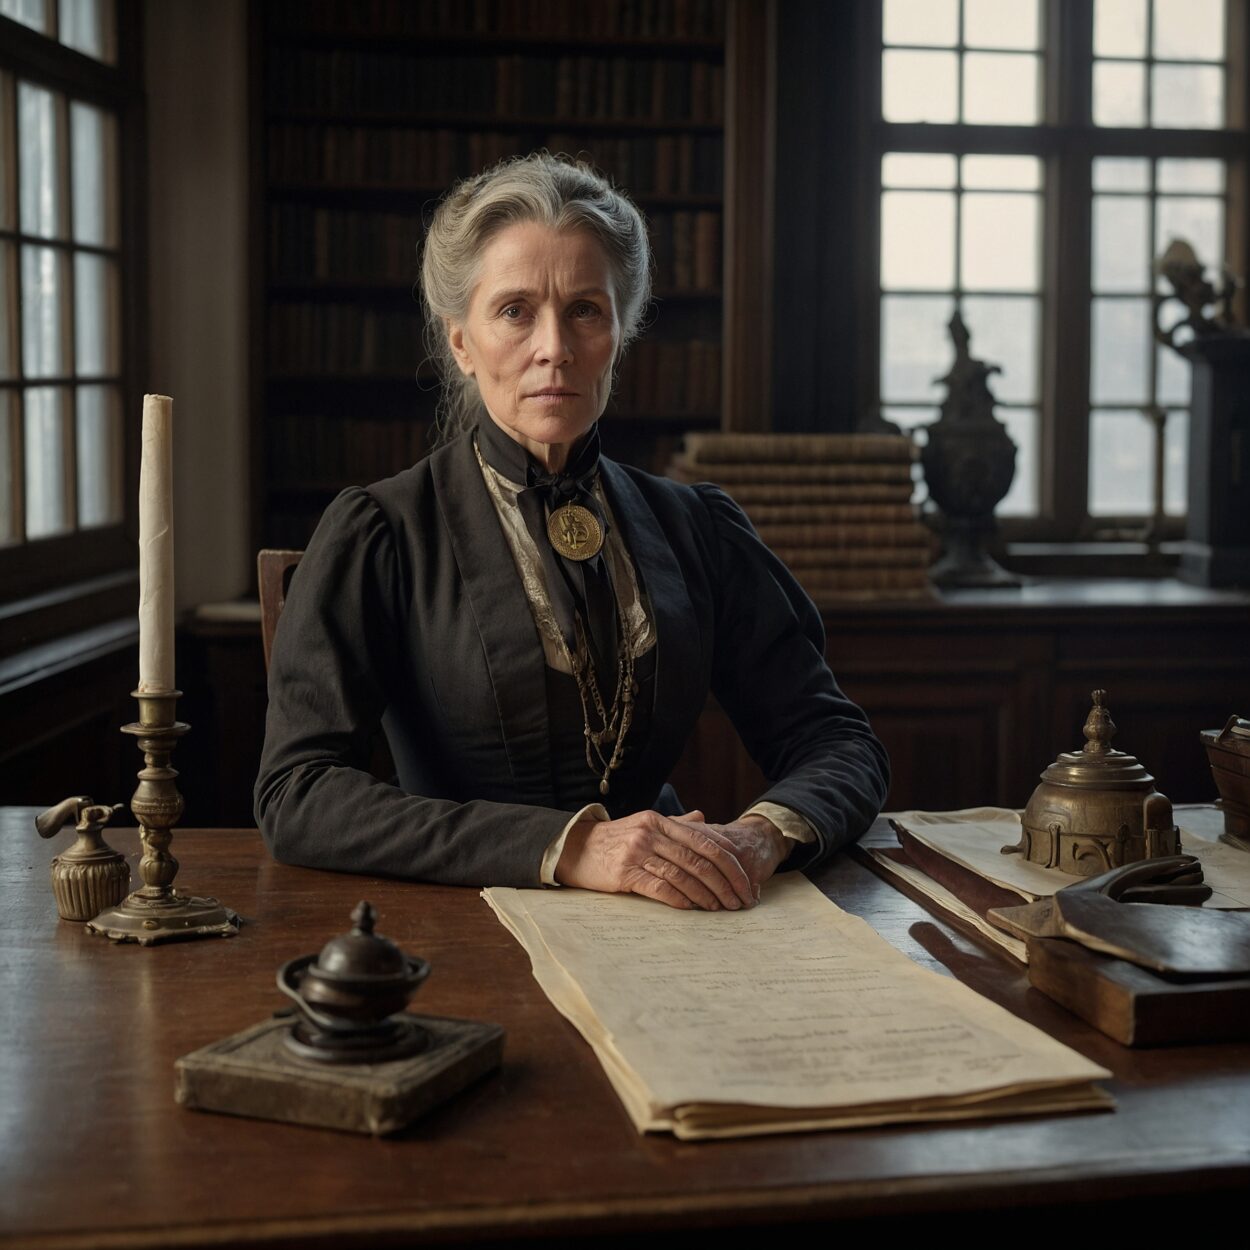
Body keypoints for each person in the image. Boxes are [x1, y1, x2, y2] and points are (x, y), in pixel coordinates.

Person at [256, 153, 889, 911]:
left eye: (585, 309)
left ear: (620, 331)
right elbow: (297, 794)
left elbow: (837, 742)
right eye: (515, 310)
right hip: (459, 922)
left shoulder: (697, 528)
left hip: (667, 926)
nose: (554, 346)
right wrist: (573, 846)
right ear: (461, 342)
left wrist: (759, 836)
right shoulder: (381, 533)